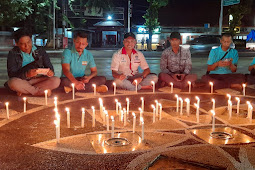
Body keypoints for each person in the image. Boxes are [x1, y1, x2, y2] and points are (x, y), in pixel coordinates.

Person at [6, 29, 60, 96]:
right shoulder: (13, 54)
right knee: (13, 82)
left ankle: (26, 90)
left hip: (38, 80)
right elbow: (12, 74)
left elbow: (50, 67)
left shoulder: (40, 51)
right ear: (16, 44)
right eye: (23, 44)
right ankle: (38, 92)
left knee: (56, 80)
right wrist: (27, 74)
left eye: (28, 42)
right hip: (23, 81)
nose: (27, 46)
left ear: (31, 40)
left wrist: (50, 72)